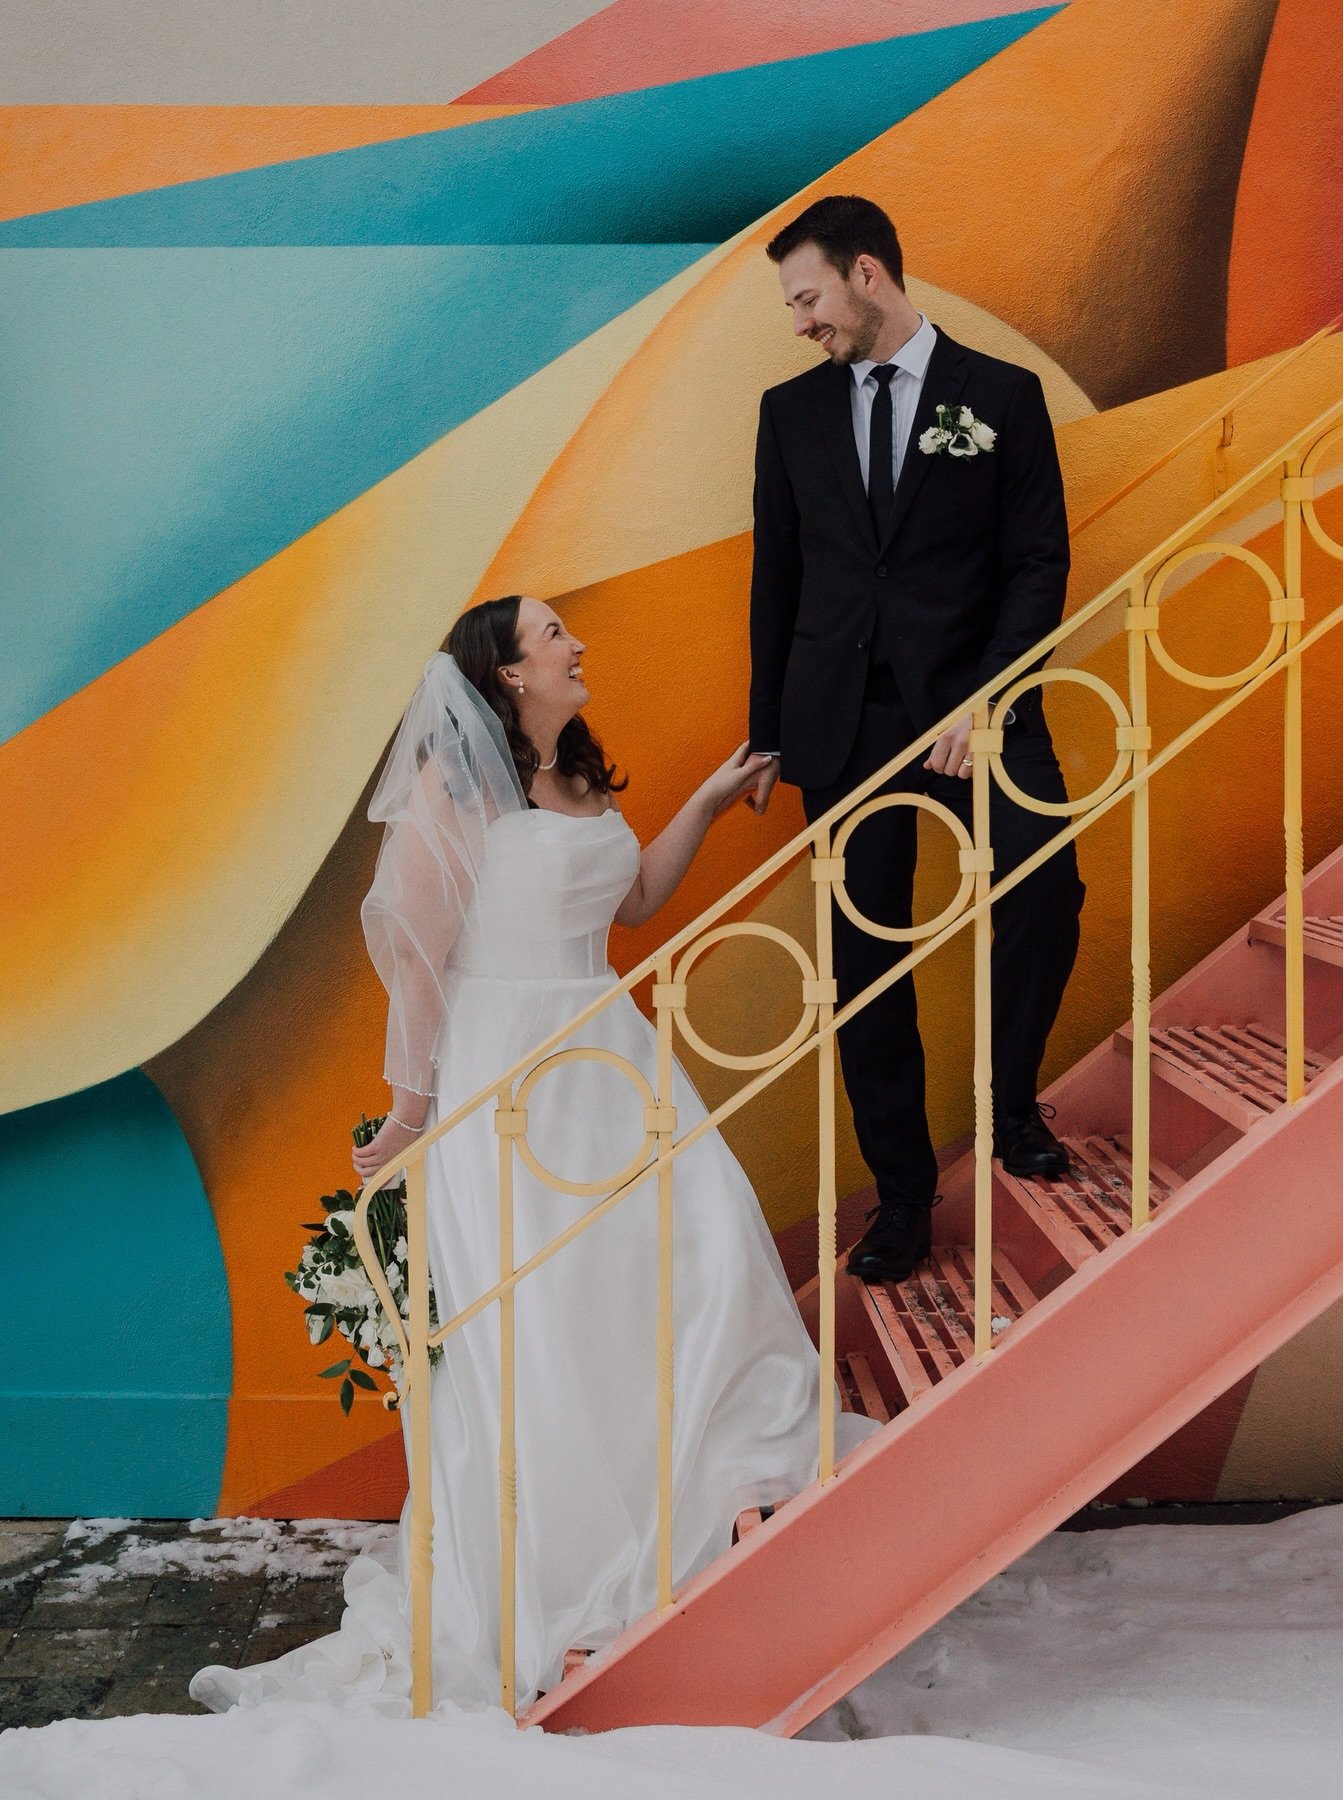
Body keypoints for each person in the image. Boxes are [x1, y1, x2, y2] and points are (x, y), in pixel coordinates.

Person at [191, 595, 874, 1715]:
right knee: (552, 1309)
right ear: (507, 673)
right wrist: (411, 1112)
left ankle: (724, 1484)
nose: (577, 644)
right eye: (554, 634)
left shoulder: (583, 773)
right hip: (507, 1067)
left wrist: (707, 798)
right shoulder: (452, 792)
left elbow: (635, 898)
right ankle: (580, 1565)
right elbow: (419, 963)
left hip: (611, 1051)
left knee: (698, 1244)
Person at [746, 195, 1085, 1283]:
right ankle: (901, 1199)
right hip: (842, 725)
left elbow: (1038, 563)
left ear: (869, 274)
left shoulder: (1002, 396)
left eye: (808, 297)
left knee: (1046, 889)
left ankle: (1010, 1107)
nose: (801, 322)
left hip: (980, 711)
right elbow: (777, 579)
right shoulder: (789, 413)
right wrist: (769, 733)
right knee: (864, 965)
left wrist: (986, 700)